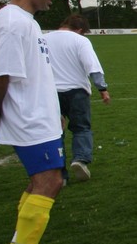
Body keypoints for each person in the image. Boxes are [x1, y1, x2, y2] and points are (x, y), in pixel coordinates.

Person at [0, 0, 66, 244]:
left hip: (40, 118)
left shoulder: (26, 22)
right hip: (28, 120)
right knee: (49, 182)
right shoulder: (11, 22)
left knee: (41, 183)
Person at [44, 14, 110, 183]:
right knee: (81, 128)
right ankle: (80, 159)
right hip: (77, 92)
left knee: (55, 132)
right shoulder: (80, 41)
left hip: (50, 92)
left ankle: (59, 173)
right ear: (80, 30)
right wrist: (102, 89)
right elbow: (93, 66)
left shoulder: (43, 39)